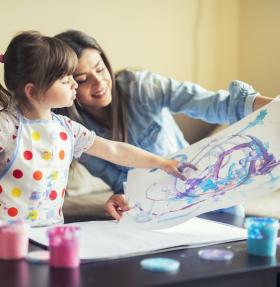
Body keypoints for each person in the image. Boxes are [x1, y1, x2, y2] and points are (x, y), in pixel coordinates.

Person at [54, 30, 273, 221]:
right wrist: (125, 198)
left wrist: (274, 108)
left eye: (100, 69)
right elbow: (121, 183)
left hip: (206, 193)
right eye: (83, 79)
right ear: (67, 84)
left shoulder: (140, 87)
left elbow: (218, 104)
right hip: (152, 209)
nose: (99, 83)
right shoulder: (77, 133)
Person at [0, 31, 185, 227]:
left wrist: (162, 162)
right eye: (65, 81)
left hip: (52, 231)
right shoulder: (5, 126)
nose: (73, 85)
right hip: (7, 234)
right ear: (33, 91)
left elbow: (114, 150)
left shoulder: (67, 128)